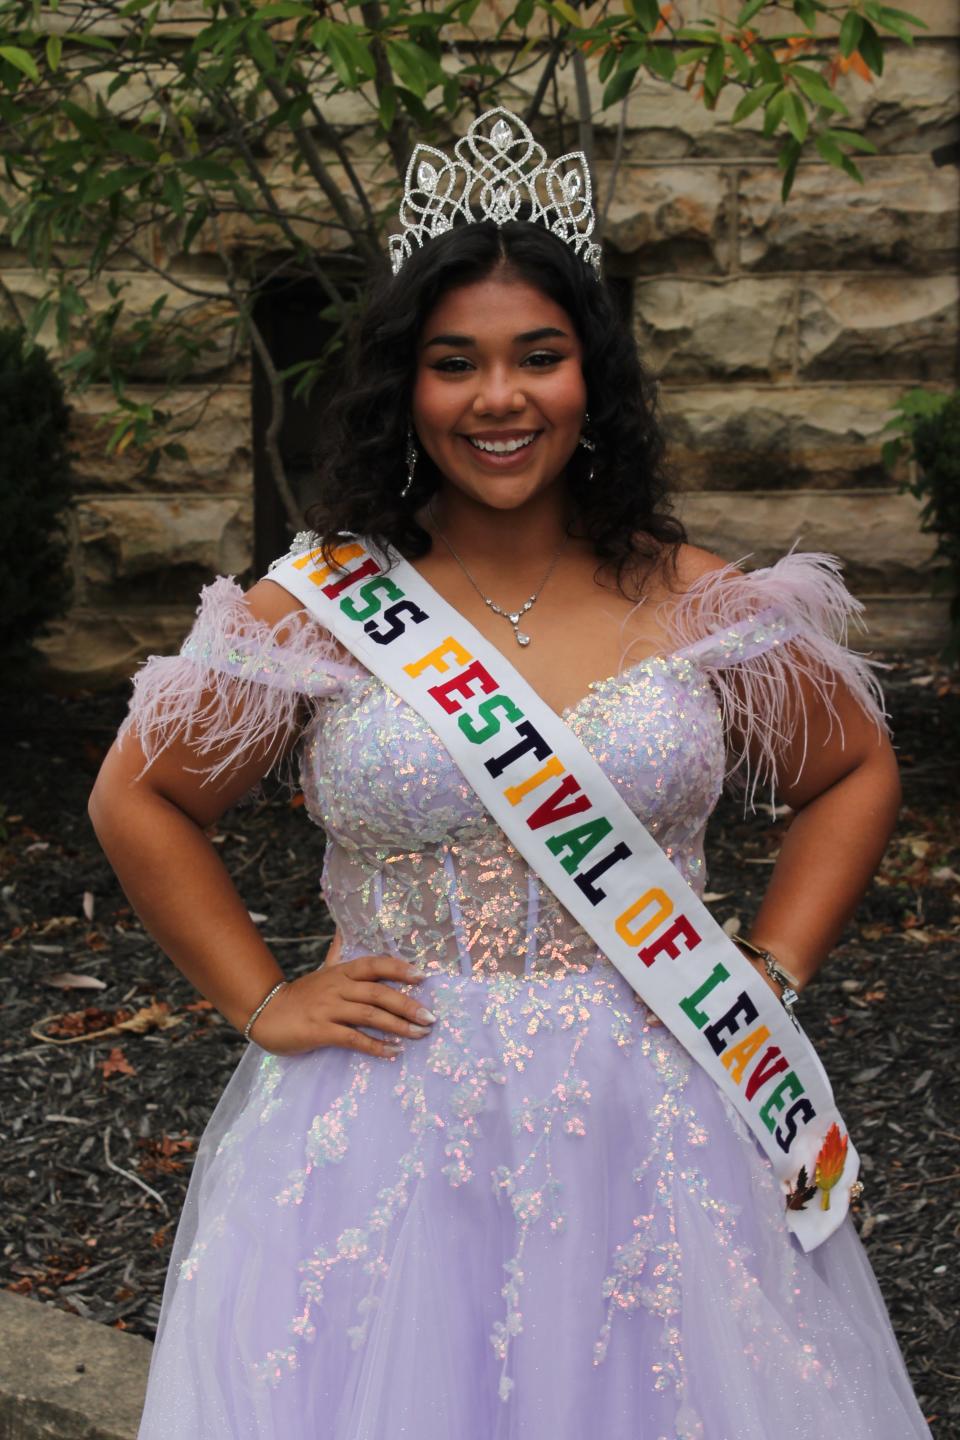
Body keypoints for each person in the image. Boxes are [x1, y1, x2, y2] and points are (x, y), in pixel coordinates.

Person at [89, 109, 931, 1439]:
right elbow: (138, 796)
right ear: (405, 388)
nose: (499, 400)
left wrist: (769, 971)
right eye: (455, 363)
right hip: (382, 1126)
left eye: (539, 358)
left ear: (589, 377)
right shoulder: (320, 608)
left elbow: (853, 772)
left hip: (662, 1108)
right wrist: (260, 997)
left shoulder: (704, 602)